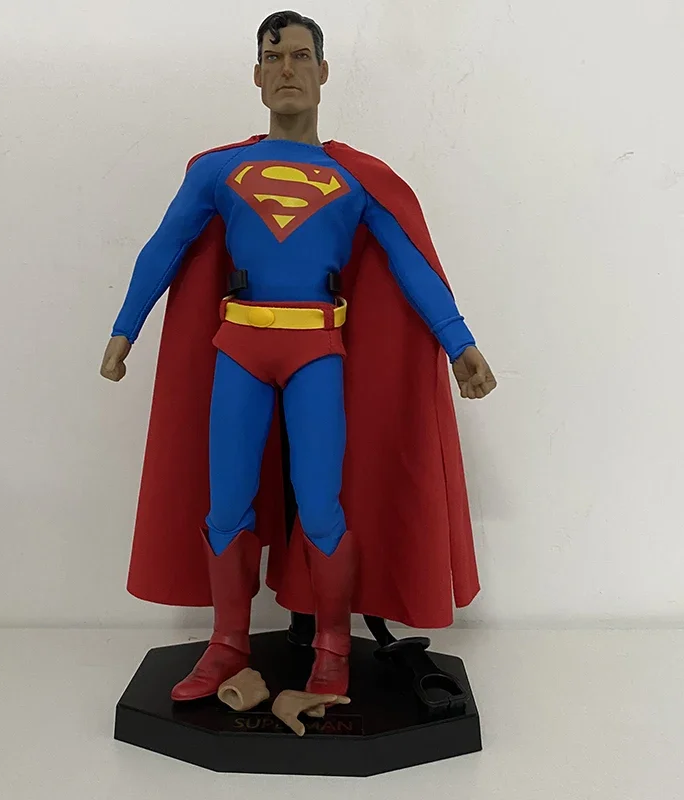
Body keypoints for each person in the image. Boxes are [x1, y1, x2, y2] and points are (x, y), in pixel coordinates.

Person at [101, 10, 496, 705]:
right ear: (257, 75)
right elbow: (165, 247)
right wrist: (124, 328)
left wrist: (457, 339)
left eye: (301, 55)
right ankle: (228, 642)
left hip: (317, 350)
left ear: (323, 71)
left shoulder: (356, 178)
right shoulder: (218, 170)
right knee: (226, 503)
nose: (287, 68)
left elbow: (409, 262)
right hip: (240, 349)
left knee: (320, 506)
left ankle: (333, 645)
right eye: (273, 56)